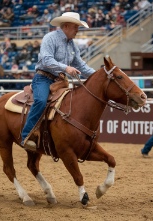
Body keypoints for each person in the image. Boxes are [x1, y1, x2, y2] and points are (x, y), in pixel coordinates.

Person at [20, 12, 96, 151]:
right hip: (43, 78)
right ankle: (26, 135)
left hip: (59, 81)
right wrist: (66, 67)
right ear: (66, 26)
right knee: (41, 101)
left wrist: (98, 75)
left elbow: (81, 65)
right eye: (76, 27)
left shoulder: (72, 45)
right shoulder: (50, 38)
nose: (78, 30)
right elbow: (46, 60)